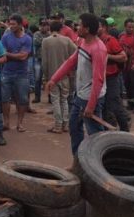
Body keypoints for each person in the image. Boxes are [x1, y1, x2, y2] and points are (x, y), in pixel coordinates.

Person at [46, 13, 107, 155]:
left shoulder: (98, 49)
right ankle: (78, 162)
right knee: (74, 128)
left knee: (95, 136)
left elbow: (98, 80)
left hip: (92, 97)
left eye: (79, 25)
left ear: (86, 29)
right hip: (80, 96)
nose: (76, 27)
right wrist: (54, 79)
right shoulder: (82, 42)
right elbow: (71, 61)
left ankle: (99, 167)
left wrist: (91, 106)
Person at [40, 20, 75, 133]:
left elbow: (44, 62)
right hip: (65, 75)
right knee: (64, 100)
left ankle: (58, 126)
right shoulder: (67, 40)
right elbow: (76, 52)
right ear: (61, 29)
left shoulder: (46, 41)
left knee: (55, 100)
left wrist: (46, 77)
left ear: (50, 29)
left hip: (52, 75)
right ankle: (65, 125)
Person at [1, 14, 32, 133]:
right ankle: (6, 122)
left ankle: (20, 123)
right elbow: (2, 53)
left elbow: (23, 57)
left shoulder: (27, 38)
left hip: (22, 73)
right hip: (7, 72)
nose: (11, 26)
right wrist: (16, 55)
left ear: (20, 25)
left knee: (22, 99)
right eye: (10, 23)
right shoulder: (6, 37)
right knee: (4, 98)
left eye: (13, 24)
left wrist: (8, 54)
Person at [98, 18, 130, 131]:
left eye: (99, 26)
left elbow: (123, 57)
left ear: (105, 28)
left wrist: (107, 56)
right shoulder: (94, 41)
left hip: (111, 78)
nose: (96, 28)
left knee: (115, 105)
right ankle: (108, 131)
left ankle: (125, 130)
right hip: (99, 79)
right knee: (104, 107)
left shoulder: (110, 41)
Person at [31, 20, 49, 103]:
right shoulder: (36, 34)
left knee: (49, 78)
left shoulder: (49, 34)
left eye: (45, 25)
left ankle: (50, 97)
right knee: (37, 79)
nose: (43, 27)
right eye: (42, 25)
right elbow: (36, 42)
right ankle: (37, 97)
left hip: (48, 59)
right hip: (39, 59)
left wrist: (44, 41)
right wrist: (46, 41)